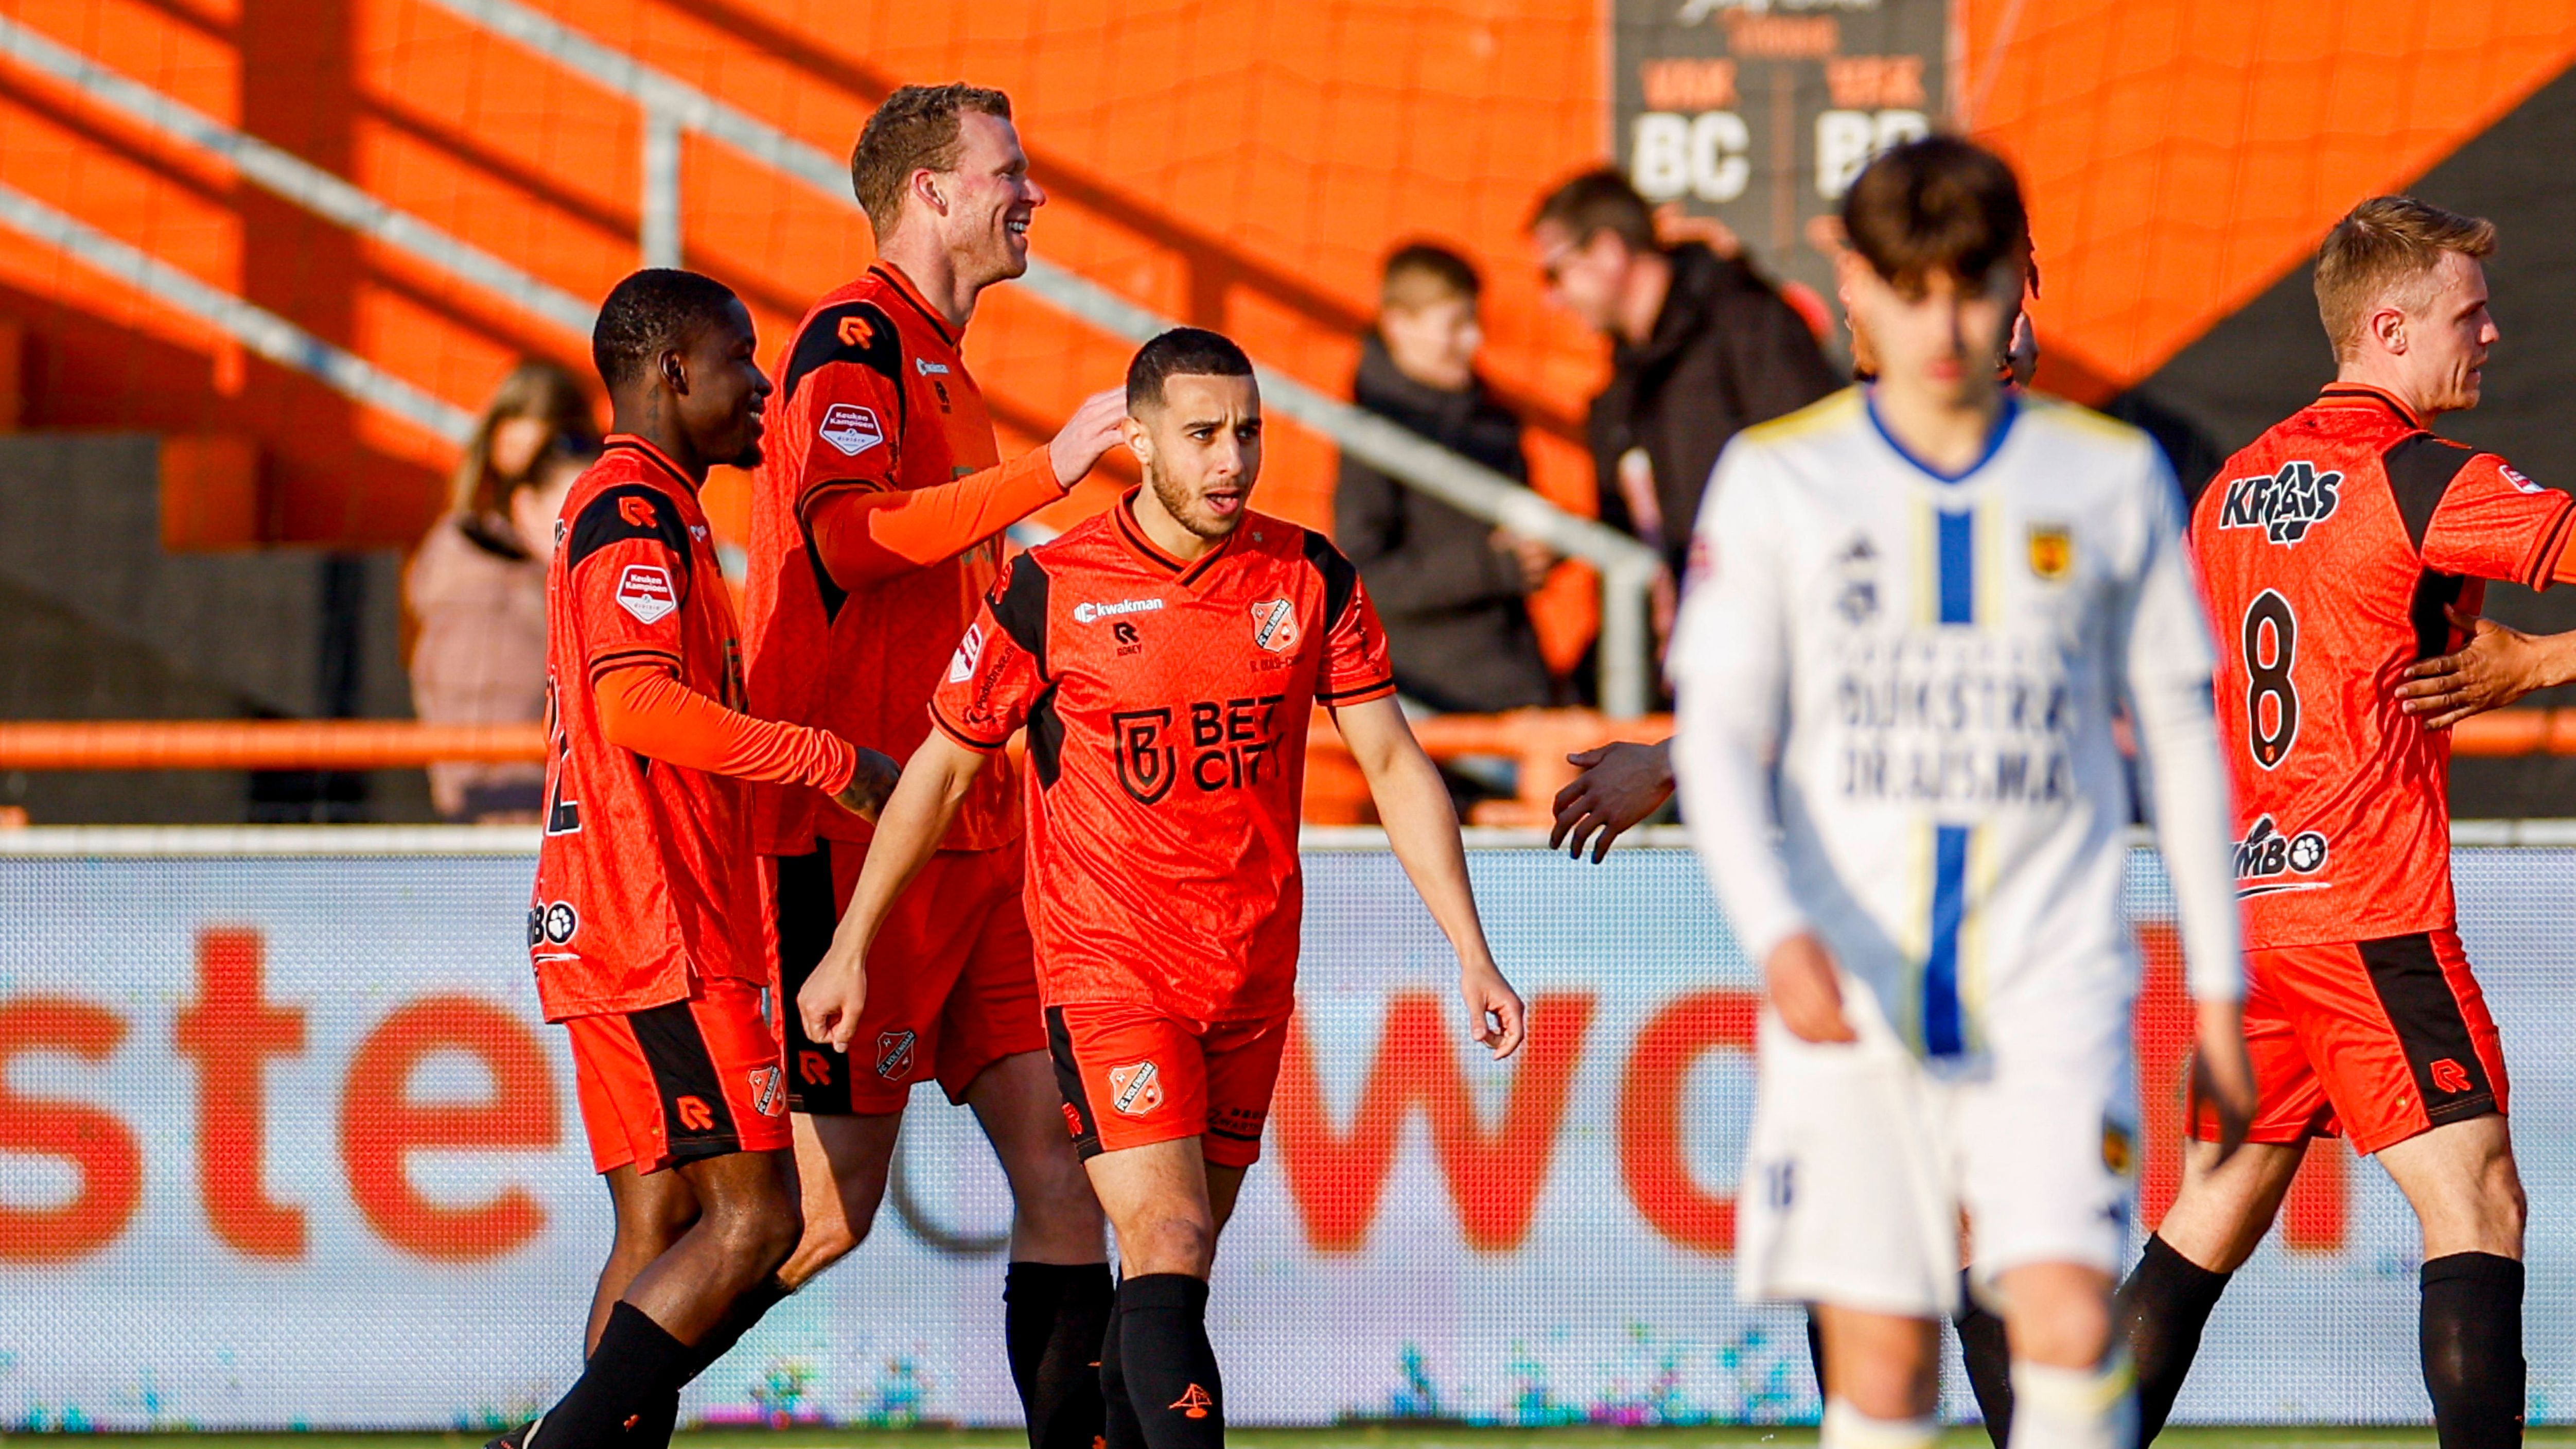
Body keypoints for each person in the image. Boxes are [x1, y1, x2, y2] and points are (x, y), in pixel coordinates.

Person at [798, 327, 1528, 1449]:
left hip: (1249, 971)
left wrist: (1473, 952)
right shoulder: (1053, 588)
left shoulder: (1308, 574)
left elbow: (1392, 763)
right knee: (1173, 1232)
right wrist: (851, 943)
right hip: (1109, 969)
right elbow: (943, 764)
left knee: (1175, 1260)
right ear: (1137, 442)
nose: (1230, 460)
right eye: (1202, 435)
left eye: (1246, 433)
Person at [1668, 137, 2255, 1449]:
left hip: (2051, 980)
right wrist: (1775, 930)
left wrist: (2218, 987)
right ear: (1856, 286)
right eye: (1912, 285)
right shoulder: (1779, 477)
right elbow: (1712, 739)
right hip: (1855, 997)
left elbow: (2179, 730)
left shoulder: (2108, 476)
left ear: (2020, 290)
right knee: (1880, 1361)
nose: (1946, 322)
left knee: (2062, 1318)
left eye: (1975, 284)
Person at [2127, 196, 2572, 1449]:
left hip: (2254, 919)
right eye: (2467, 315)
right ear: (2388, 327)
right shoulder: (2418, 477)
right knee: (2477, 1198)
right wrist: (2540, 666)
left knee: (2204, 1218)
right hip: (2370, 909)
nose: (2490, 335)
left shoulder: (2228, 490)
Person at [736, 81, 1126, 1449]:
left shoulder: (944, 363)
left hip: (979, 836)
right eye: (1006, 172)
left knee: (1068, 1176)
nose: (1030, 195)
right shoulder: (852, 338)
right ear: (932, 193)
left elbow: (954, 585)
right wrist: (1048, 471)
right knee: (815, 1216)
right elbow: (846, 541)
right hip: (860, 836)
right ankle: (598, 1410)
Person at [502, 268, 896, 1449]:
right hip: (655, 919)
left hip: (619, 911)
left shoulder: (650, 508)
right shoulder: (631, 508)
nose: (762, 384)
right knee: (754, 1222)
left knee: (661, 1218)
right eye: (740, 357)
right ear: (675, 370)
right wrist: (829, 760)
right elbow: (636, 707)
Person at [1528, 169, 1839, 650]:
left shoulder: (1747, 326)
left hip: (1786, 648)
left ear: (1609, 251)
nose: (1551, 297)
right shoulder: (1622, 387)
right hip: (1694, 664)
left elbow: (1826, 483)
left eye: (1555, 271)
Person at [1335, 242, 1556, 715]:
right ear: (1398, 324)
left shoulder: (1492, 419)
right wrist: (1494, 565)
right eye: (1454, 325)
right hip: (1437, 703)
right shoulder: (1369, 434)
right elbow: (1365, 581)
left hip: (1518, 683)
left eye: (1475, 322)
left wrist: (1544, 550)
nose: (1473, 340)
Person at [407, 360, 602, 821]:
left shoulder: (590, 561)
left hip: (552, 808)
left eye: (542, 466)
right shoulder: (452, 547)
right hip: (463, 795)